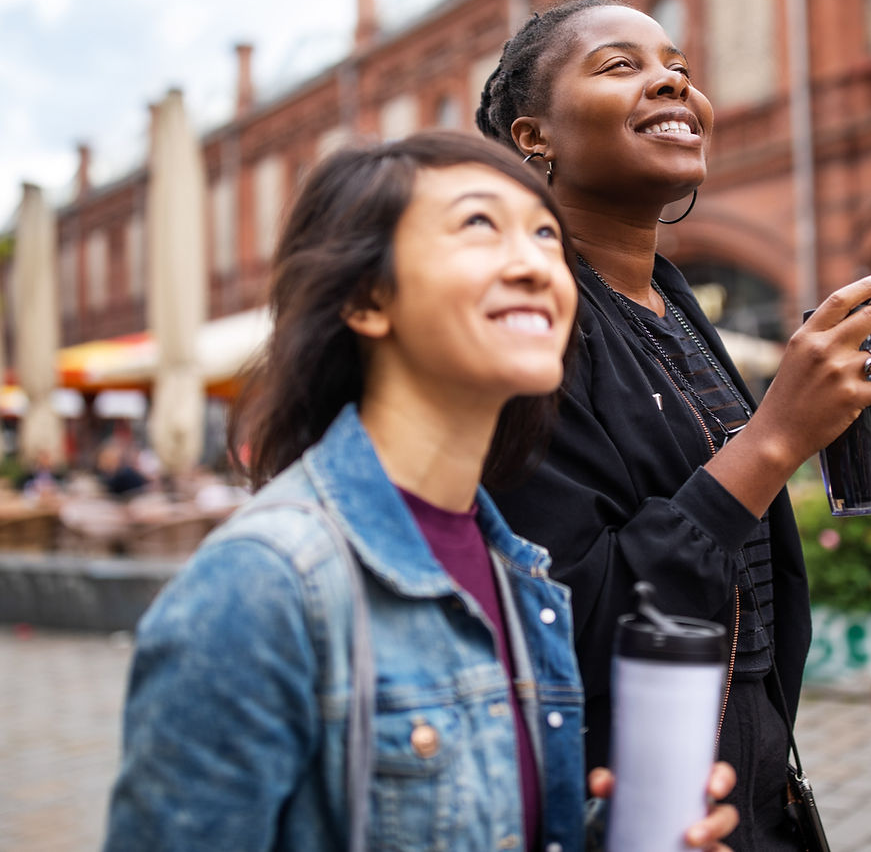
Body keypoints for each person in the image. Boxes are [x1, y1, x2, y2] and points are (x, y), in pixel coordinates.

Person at [103, 130, 737, 851]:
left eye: (543, 235)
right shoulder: (264, 583)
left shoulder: (519, 571)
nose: (536, 264)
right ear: (369, 299)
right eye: (479, 225)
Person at [476, 0, 871, 849]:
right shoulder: (533, 317)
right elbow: (574, 611)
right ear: (536, 137)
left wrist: (816, 413)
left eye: (676, 64)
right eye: (620, 65)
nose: (672, 78)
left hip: (753, 793)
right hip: (632, 806)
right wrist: (775, 436)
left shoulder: (672, 299)